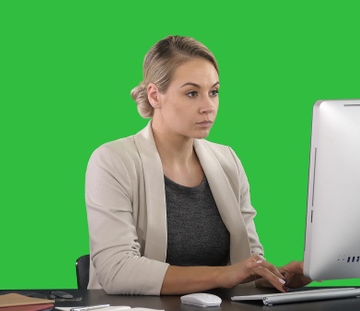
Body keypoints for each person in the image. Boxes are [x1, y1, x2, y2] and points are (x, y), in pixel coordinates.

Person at [85, 35, 311, 295]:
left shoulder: (228, 161)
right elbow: (117, 271)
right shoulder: (112, 161)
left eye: (213, 92)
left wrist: (278, 276)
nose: (208, 106)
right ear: (155, 95)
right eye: (192, 93)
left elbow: (245, 268)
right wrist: (222, 275)